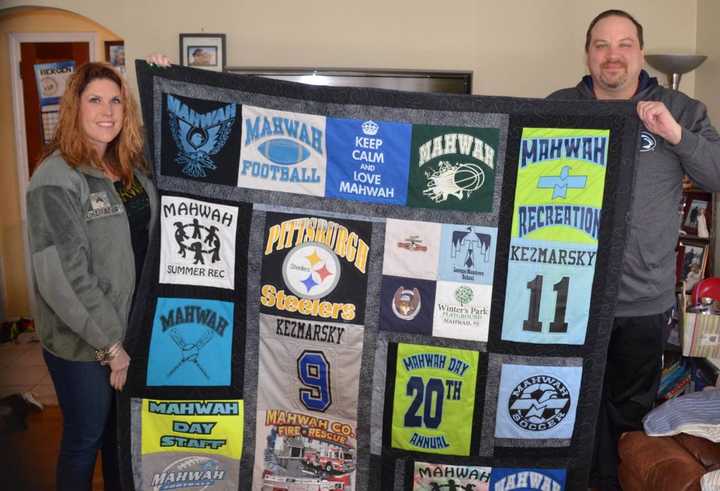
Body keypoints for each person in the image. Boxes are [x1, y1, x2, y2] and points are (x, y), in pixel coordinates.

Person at [548, 9, 720, 490]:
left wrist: (677, 136)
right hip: (566, 297)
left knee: (628, 417)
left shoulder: (681, 109)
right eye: (602, 45)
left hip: (642, 299)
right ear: (588, 53)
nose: (613, 55)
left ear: (641, 52)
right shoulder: (559, 106)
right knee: (567, 407)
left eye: (624, 44)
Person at [26, 61, 159, 490]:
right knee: (85, 441)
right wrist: (110, 347)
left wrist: (162, 79)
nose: (107, 111)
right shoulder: (56, 177)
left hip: (131, 332)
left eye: (116, 100)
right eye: (95, 100)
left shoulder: (131, 169)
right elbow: (63, 277)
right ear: (75, 109)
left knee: (119, 440)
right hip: (85, 344)